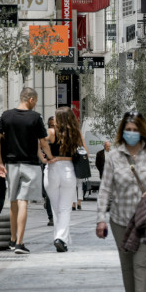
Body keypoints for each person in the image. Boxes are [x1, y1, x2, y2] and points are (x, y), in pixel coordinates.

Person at [95, 111, 146, 292]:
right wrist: (101, 218)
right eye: (128, 130)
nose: (131, 134)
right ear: (122, 132)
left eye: (135, 130)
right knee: (126, 264)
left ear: (142, 132)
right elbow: (105, 188)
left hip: (144, 218)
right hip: (119, 219)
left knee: (141, 262)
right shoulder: (114, 156)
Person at [0, 87, 54, 254]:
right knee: (23, 202)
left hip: (11, 165)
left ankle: (12, 240)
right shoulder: (35, 117)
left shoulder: (5, 115)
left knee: (13, 202)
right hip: (30, 165)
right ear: (31, 100)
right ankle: (20, 243)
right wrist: (50, 158)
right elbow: (43, 142)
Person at [44, 106, 84, 253]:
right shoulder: (75, 134)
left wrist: (44, 157)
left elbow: (39, 140)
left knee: (56, 208)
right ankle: (61, 238)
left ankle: (60, 238)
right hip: (68, 169)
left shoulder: (51, 132)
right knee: (65, 208)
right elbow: (83, 150)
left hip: (53, 168)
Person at [41, 116, 55, 225]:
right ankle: (51, 217)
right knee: (49, 194)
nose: (53, 128)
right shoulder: (45, 136)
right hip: (48, 169)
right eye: (51, 125)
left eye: (55, 125)